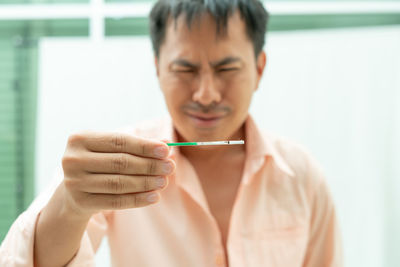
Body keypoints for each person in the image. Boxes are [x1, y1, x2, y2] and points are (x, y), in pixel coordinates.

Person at [0, 0, 342, 266]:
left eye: (227, 68)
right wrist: (70, 206)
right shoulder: (120, 163)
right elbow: (23, 260)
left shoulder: (302, 176)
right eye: (185, 69)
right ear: (157, 68)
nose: (206, 94)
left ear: (259, 68)